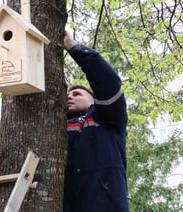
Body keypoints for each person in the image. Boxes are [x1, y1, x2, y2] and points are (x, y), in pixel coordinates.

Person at [63, 31, 129, 212]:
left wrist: (74, 48)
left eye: (77, 94)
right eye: (67, 95)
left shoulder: (109, 119)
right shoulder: (59, 129)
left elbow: (108, 83)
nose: (70, 97)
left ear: (94, 100)